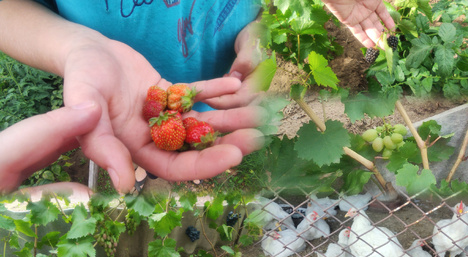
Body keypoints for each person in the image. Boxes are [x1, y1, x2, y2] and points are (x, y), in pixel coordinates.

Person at [0, 0, 394, 194]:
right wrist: (75, 45)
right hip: (121, 97)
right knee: (140, 152)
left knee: (208, 135)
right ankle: (145, 174)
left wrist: (261, 29)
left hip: (218, 81)